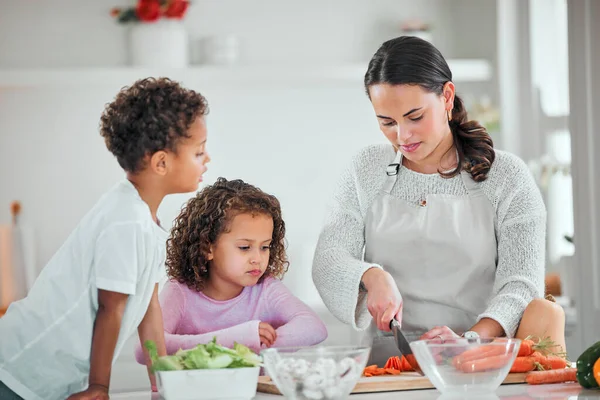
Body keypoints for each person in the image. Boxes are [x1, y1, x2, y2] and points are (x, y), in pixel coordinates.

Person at [312, 36, 565, 367]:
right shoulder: (365, 170)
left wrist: (469, 341)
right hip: (388, 368)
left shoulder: (507, 177)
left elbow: (521, 283)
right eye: (386, 122)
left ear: (446, 96)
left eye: (414, 116)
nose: (402, 136)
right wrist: (371, 276)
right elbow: (329, 260)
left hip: (478, 362)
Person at [0, 77, 211, 399]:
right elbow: (111, 307)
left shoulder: (145, 218)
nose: (207, 159)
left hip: (49, 372)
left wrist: (161, 377)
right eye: (199, 152)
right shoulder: (126, 221)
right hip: (21, 367)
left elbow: (148, 304)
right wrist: (99, 386)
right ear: (162, 162)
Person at [134, 177, 327, 364]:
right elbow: (145, 348)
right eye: (244, 247)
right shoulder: (180, 292)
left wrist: (255, 346)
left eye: (265, 247)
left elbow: (314, 328)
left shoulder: (266, 290)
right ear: (207, 248)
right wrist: (240, 338)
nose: (257, 259)